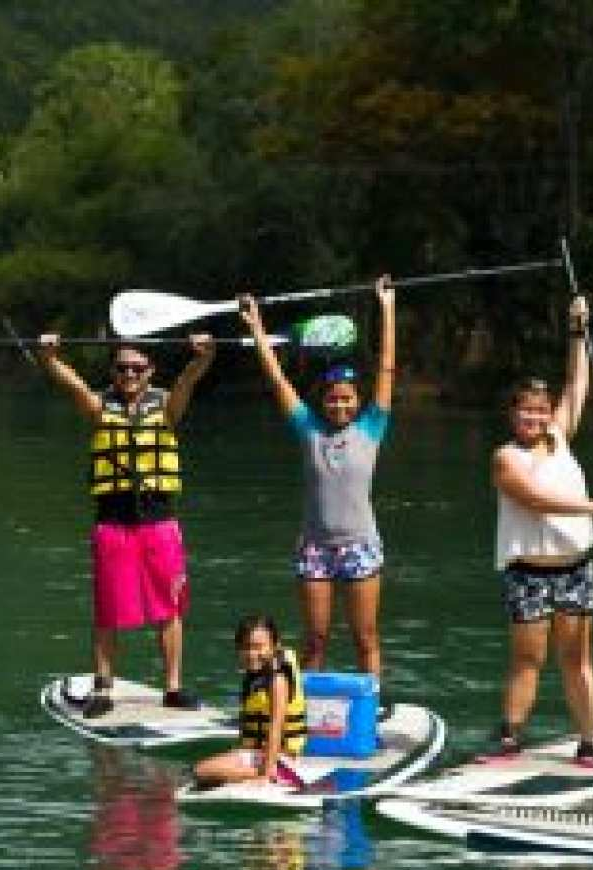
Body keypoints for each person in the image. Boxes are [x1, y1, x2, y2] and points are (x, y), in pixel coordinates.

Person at [484, 295, 593, 767]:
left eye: (541, 411)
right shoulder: (506, 457)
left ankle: (587, 742)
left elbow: (577, 382)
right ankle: (509, 738)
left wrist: (576, 331)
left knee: (577, 661)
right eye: (525, 412)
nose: (534, 418)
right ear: (513, 416)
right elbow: (536, 500)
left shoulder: (560, 437)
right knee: (528, 662)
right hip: (528, 572)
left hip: (576, 569)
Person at [37, 333, 216, 717]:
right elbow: (73, 384)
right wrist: (50, 357)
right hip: (113, 523)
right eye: (122, 368)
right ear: (113, 372)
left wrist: (202, 357)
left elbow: (188, 380)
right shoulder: (101, 407)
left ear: (150, 371)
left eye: (137, 368)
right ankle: (104, 688)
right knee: (108, 610)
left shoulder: (167, 405)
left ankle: (173, 687)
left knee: (169, 607)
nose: (130, 374)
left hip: (159, 523)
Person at [239, 276, 395, 686]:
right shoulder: (307, 428)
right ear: (320, 401)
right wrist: (256, 327)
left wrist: (387, 308)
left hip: (360, 546)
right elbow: (277, 380)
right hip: (315, 549)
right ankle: (298, 713)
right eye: (332, 398)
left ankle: (371, 706)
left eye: (347, 398)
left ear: (358, 401)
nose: (340, 404)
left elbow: (387, 368)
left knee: (365, 638)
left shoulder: (371, 428)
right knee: (315, 639)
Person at [194, 615, 307, 788]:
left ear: (275, 646)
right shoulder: (256, 677)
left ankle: (274, 774)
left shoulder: (278, 680)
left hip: (278, 757)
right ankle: (261, 771)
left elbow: (276, 728)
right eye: (246, 647)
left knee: (201, 770)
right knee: (209, 772)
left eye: (258, 647)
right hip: (257, 753)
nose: (252, 654)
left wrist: (265, 773)